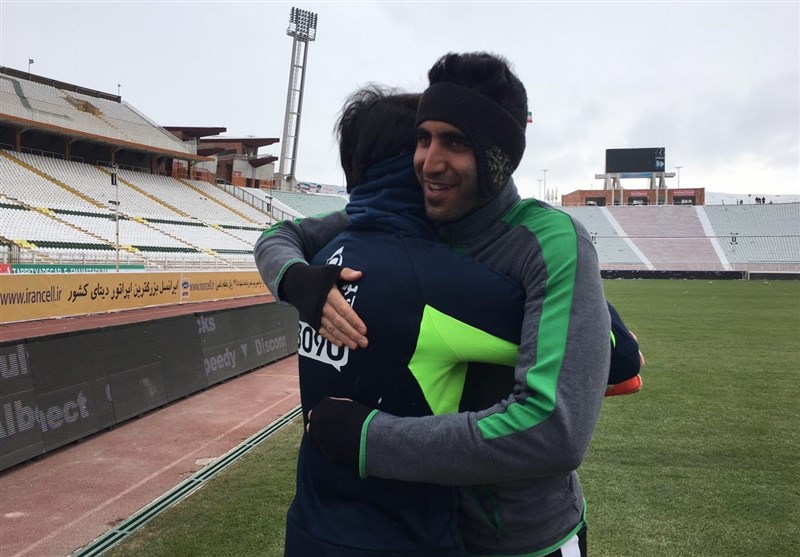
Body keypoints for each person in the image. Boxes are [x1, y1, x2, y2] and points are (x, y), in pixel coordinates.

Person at [256, 52, 625, 556]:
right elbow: (285, 233)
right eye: (423, 138)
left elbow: (556, 429)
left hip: (525, 540)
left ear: (497, 157)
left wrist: (372, 440)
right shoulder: (421, 220)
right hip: (436, 535)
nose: (429, 162)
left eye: (455, 142)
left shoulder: (551, 241)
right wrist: (296, 279)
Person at [278, 85, 535, 556]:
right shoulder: (439, 280)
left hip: (310, 531)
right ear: (413, 164)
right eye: (426, 141)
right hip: (405, 539)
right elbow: (612, 355)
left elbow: (282, 235)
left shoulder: (319, 260)